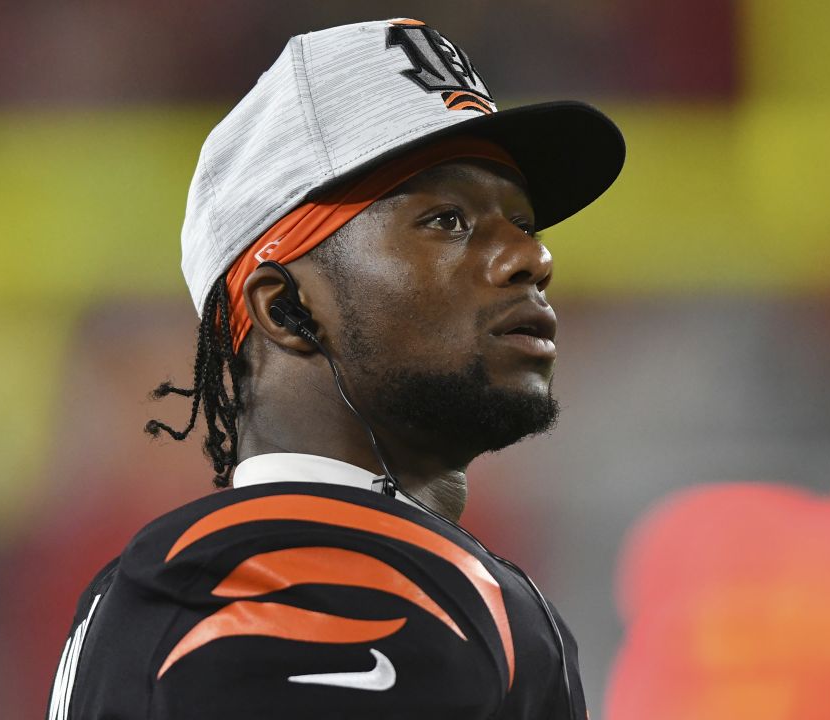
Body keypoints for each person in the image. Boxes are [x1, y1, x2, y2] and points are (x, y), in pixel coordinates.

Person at [46, 18, 623, 720]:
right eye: (447, 219)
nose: (533, 258)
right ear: (284, 308)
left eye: (523, 222)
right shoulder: (288, 576)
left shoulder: (270, 565)